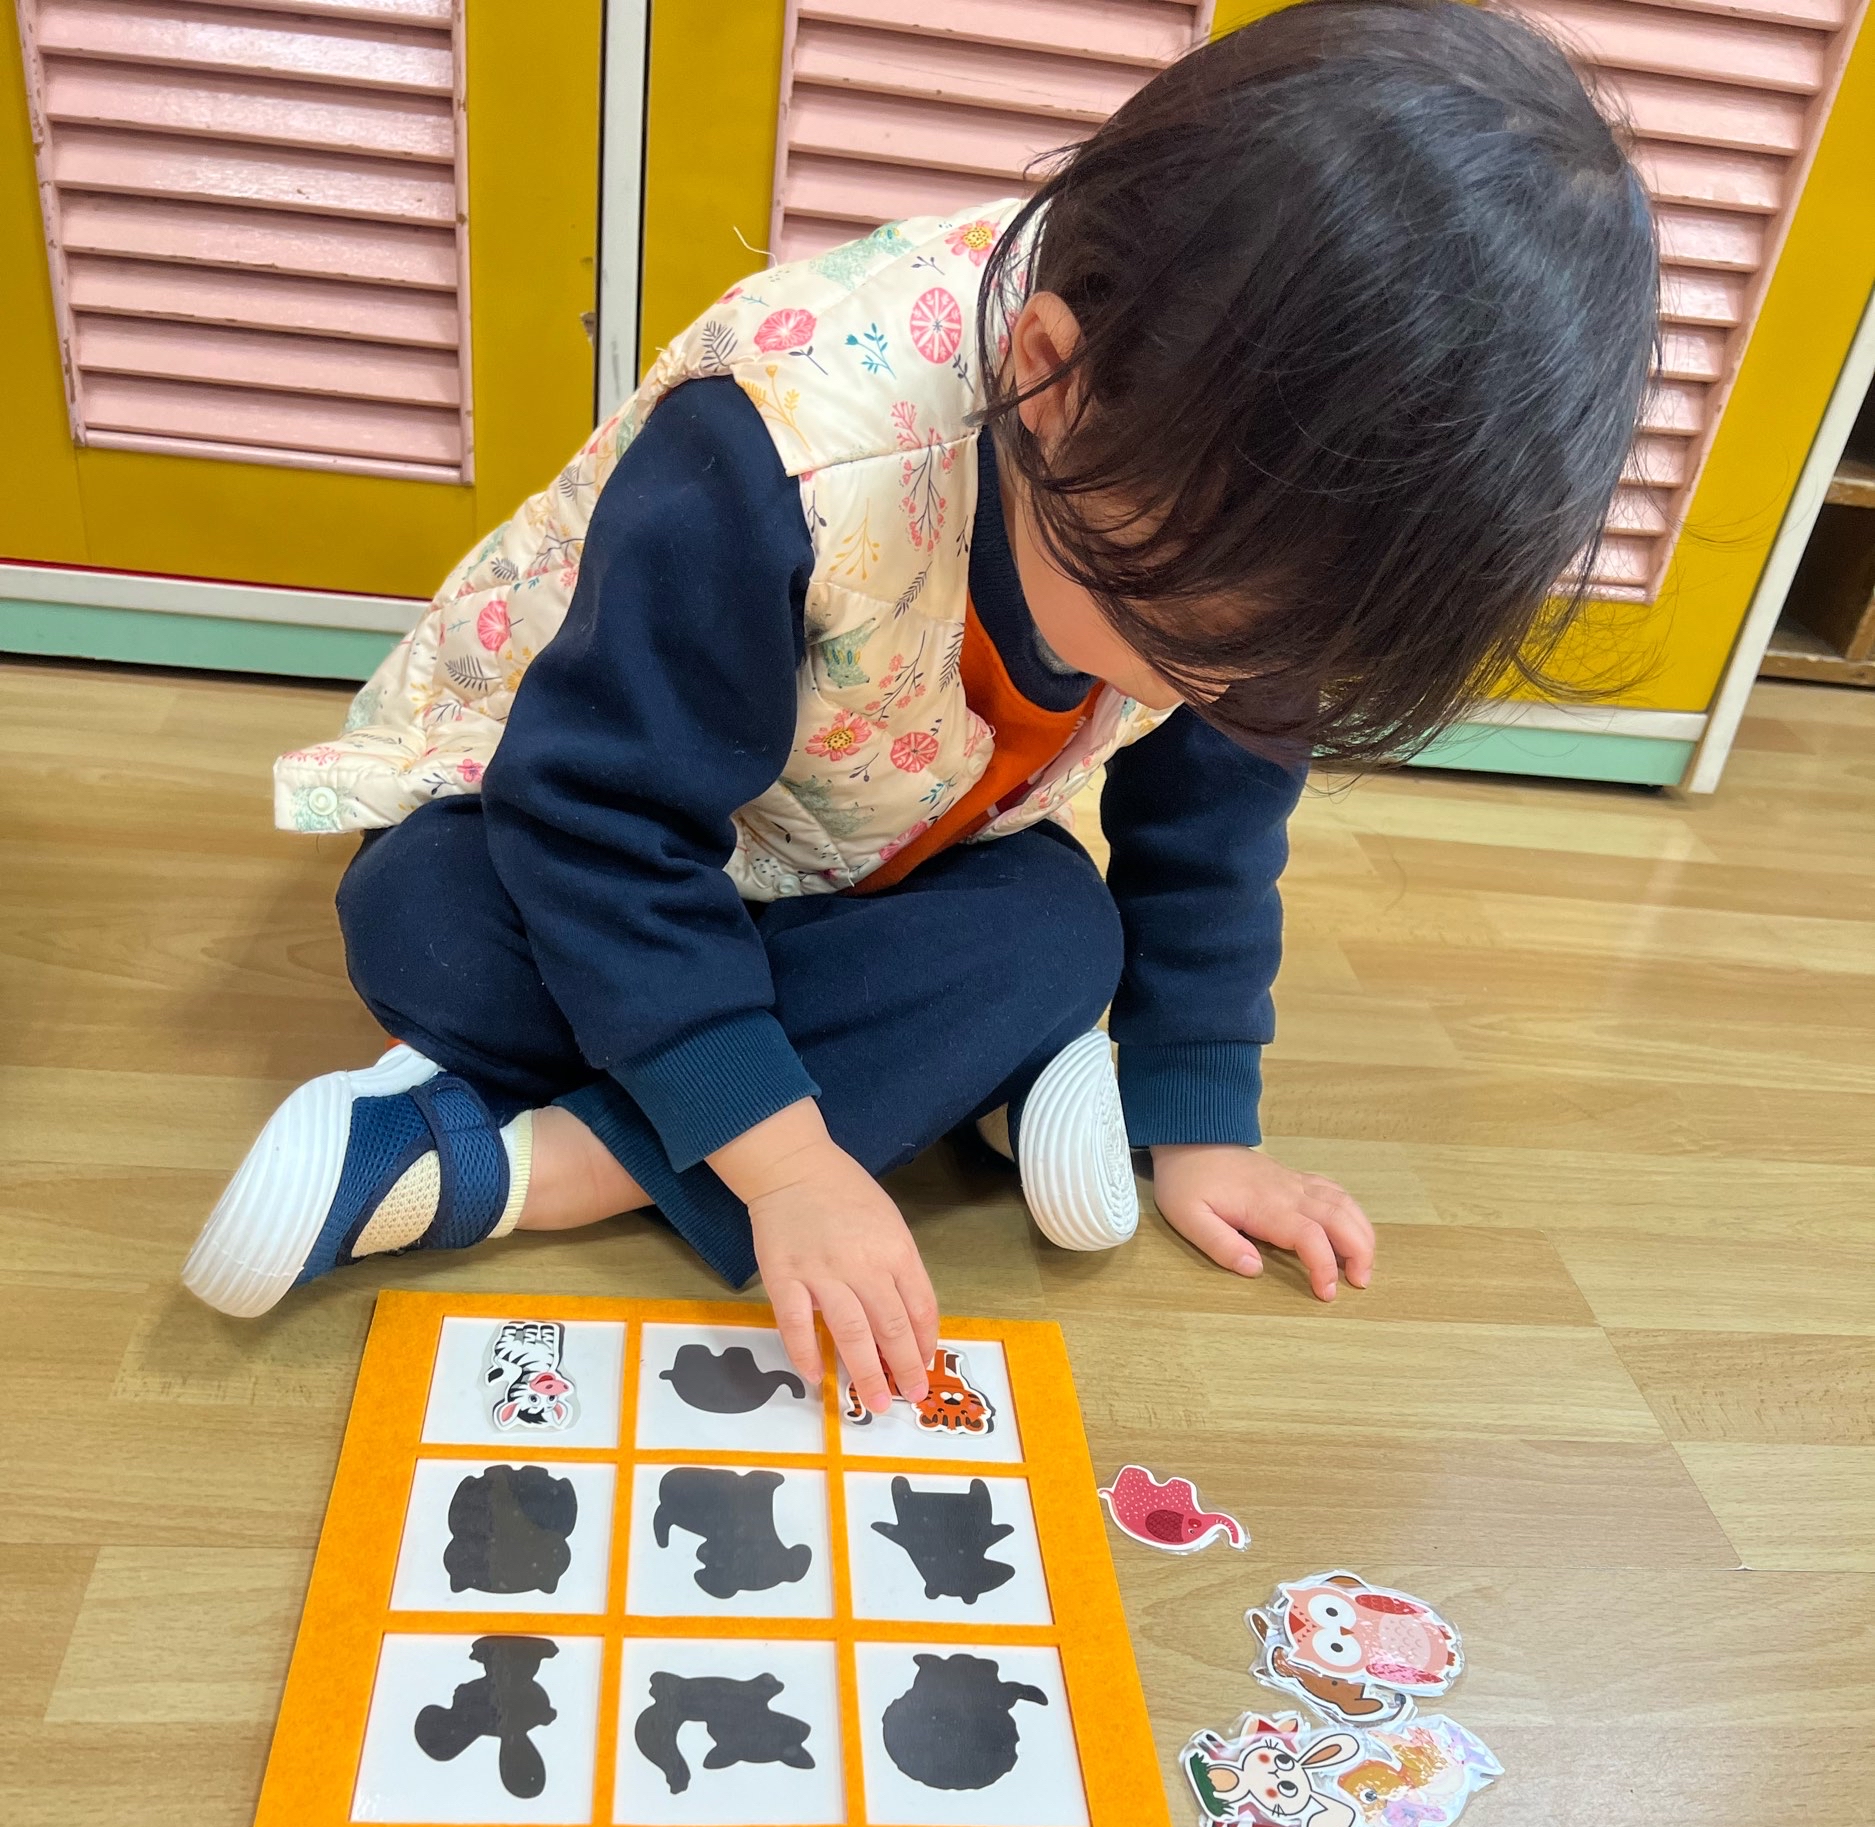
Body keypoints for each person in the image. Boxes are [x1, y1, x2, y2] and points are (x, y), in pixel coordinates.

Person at [183, 0, 1658, 1416]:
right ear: (1049, 381)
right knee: (425, 927)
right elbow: (597, 823)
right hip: (575, 807)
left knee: (1063, 932)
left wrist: (1200, 1124)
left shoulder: (1246, 524)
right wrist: (792, 1174)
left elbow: (1211, 832)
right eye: (1181, 641)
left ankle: (598, 1144)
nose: (1215, 697)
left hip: (875, 841)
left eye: (1272, 667)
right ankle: (661, 1144)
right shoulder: (782, 453)